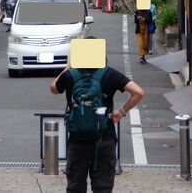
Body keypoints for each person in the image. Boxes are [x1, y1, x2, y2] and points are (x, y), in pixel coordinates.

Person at [50, 64, 145, 193]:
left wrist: (68, 67)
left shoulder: (70, 75)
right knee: (103, 188)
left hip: (77, 140)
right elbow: (138, 92)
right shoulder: (110, 74)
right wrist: (121, 111)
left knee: (75, 187)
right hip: (104, 138)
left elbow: (53, 89)